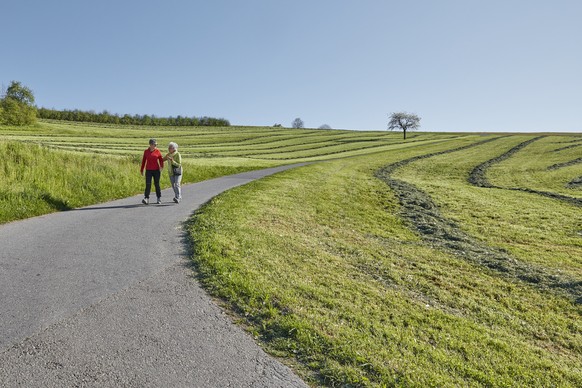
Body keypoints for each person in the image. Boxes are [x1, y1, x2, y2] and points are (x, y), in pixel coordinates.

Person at [140, 138, 164, 204]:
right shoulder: (146, 152)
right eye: (154, 144)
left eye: (156, 144)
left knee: (157, 184)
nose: (155, 146)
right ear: (150, 145)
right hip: (148, 170)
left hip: (156, 170)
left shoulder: (158, 151)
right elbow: (143, 161)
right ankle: (146, 198)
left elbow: (161, 160)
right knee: (148, 184)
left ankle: (158, 198)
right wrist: (142, 170)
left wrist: (161, 167)